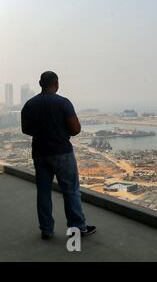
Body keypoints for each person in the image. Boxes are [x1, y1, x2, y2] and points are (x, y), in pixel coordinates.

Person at [21, 71, 96, 240]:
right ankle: (77, 227)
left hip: (40, 153)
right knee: (70, 191)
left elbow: (25, 129)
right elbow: (75, 129)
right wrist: (59, 131)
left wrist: (42, 132)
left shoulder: (29, 104)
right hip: (62, 152)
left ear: (40, 84)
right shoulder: (63, 103)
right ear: (57, 84)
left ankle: (46, 229)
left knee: (43, 192)